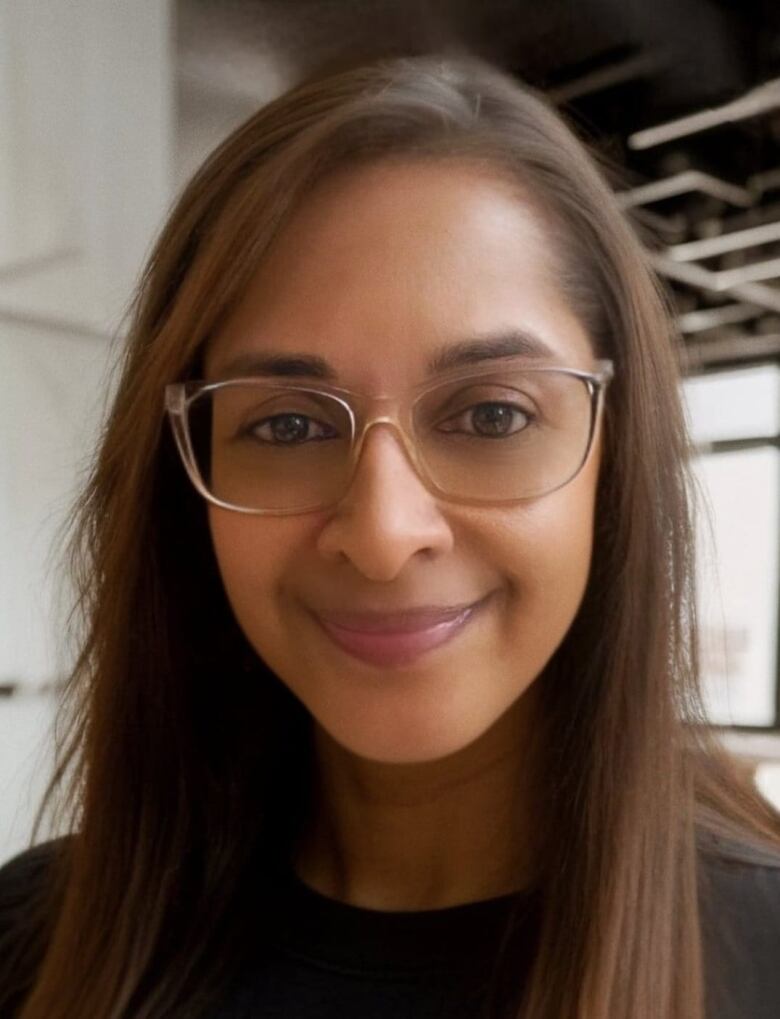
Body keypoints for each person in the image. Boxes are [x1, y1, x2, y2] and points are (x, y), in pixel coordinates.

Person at [1, 48, 779, 1019]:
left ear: (613, 456)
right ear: (184, 479)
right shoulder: (32, 941)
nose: (381, 533)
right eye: (287, 423)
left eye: (491, 415)